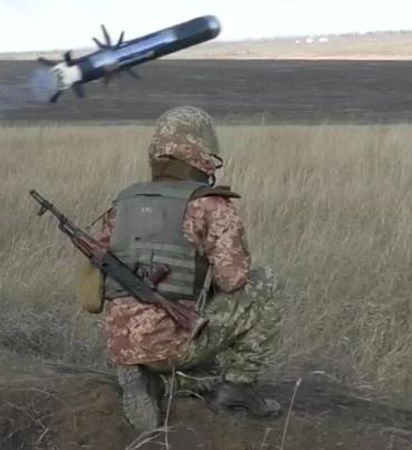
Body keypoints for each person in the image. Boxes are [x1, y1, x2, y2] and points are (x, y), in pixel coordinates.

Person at [89, 106, 284, 430]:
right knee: (264, 283)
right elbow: (233, 280)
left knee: (184, 343)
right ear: (200, 151)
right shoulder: (210, 205)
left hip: (120, 343)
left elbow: (95, 286)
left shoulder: (123, 202)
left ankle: (145, 374)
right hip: (171, 343)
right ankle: (238, 386)